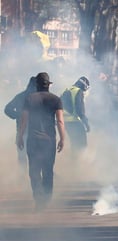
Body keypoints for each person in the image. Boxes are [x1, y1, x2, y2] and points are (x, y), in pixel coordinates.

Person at [16, 72, 65, 211]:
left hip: (33, 140)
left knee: (34, 172)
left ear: (37, 85)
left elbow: (24, 120)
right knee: (48, 171)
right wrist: (62, 138)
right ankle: (46, 199)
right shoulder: (56, 99)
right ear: (48, 85)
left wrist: (19, 137)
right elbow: (60, 121)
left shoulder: (29, 99)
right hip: (49, 141)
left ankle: (39, 200)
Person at [4, 76, 37, 171]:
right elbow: (7, 109)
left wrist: (17, 115)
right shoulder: (38, 97)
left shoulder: (20, 96)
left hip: (23, 131)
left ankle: (23, 177)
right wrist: (18, 115)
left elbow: (7, 109)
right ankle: (32, 177)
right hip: (34, 131)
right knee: (36, 155)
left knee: (22, 155)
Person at [60, 76, 90, 159]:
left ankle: (73, 162)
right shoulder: (78, 91)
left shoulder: (67, 90)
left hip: (65, 122)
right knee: (82, 144)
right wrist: (86, 123)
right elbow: (80, 110)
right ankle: (81, 164)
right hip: (74, 121)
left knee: (74, 143)